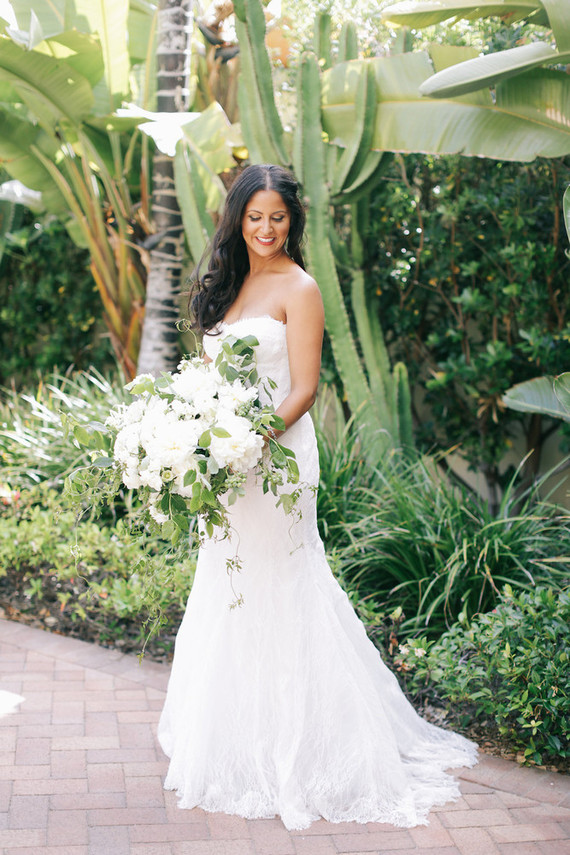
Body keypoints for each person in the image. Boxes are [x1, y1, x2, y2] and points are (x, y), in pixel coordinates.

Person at [157, 163, 477, 831]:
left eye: (277, 217)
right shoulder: (229, 285)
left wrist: (246, 442)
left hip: (275, 460)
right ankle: (235, 738)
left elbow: (302, 390)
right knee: (229, 583)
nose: (266, 228)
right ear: (237, 220)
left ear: (291, 221)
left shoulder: (300, 288)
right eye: (255, 217)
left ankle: (307, 749)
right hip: (228, 466)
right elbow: (209, 381)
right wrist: (198, 441)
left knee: (283, 586)